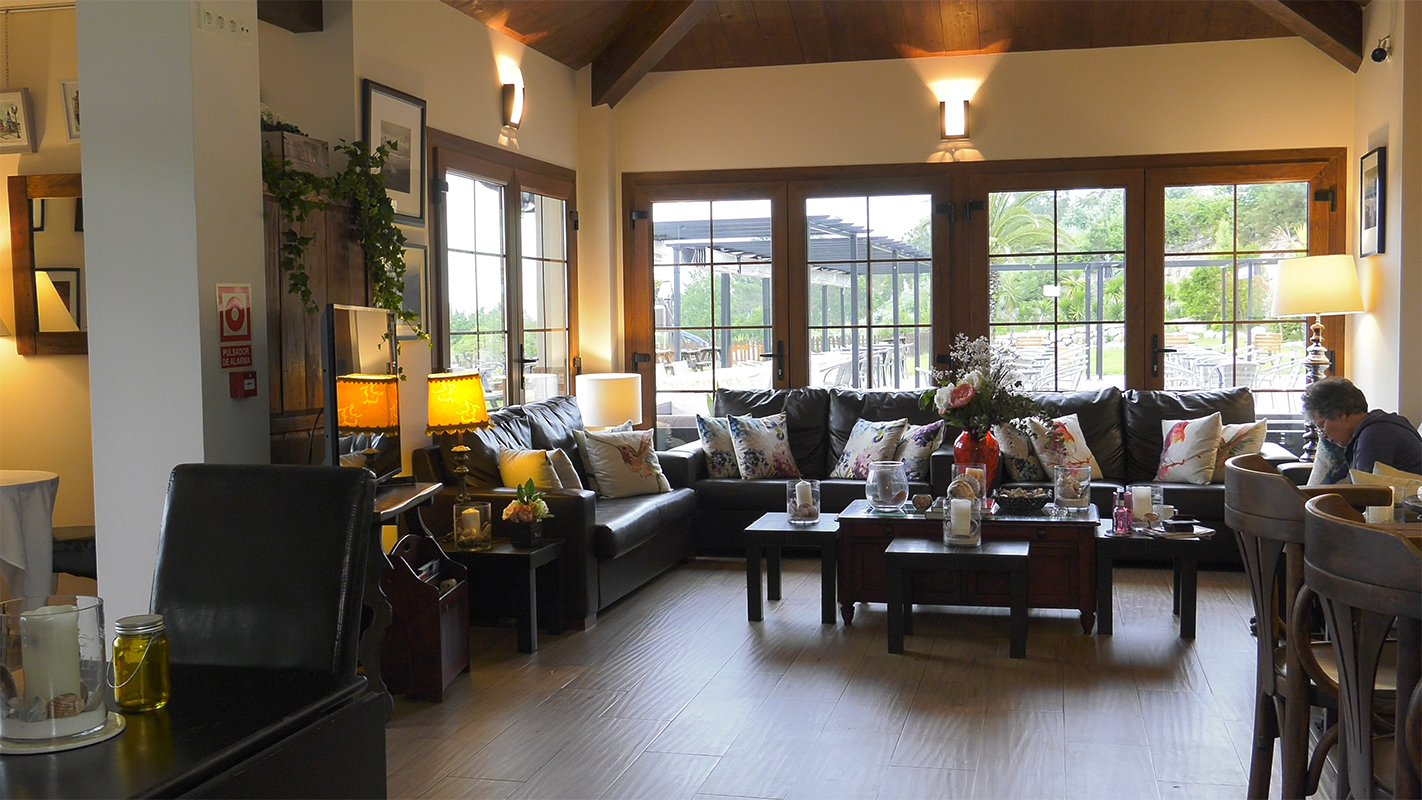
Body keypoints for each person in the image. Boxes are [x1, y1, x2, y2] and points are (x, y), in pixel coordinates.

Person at [1302, 377, 1422, 474]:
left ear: (1340, 415)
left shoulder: (1375, 435)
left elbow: (1367, 494)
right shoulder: (1378, 426)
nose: (1323, 436)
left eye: (1322, 426)